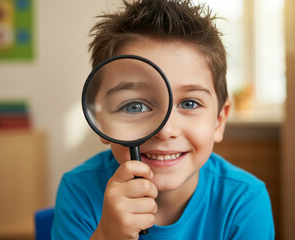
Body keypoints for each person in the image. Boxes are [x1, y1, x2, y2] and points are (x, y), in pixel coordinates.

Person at [52, 0, 275, 239]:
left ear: (219, 121)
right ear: (100, 121)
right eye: (135, 106)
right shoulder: (79, 190)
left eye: (189, 103)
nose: (166, 130)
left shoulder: (245, 200)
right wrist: (107, 235)